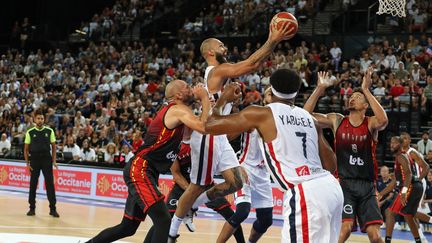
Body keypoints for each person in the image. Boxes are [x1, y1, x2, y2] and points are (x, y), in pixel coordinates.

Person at [169, 21, 293, 241]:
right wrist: (272, 40)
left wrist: (228, 100)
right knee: (198, 185)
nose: (225, 48)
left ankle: (191, 207)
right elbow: (251, 64)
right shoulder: (217, 69)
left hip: (219, 134)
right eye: (220, 46)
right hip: (207, 135)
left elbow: (221, 105)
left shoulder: (220, 75)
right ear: (210, 52)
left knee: (236, 182)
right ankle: (173, 228)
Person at [204, 69, 344, 242]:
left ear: (272, 87)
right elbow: (331, 166)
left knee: (265, 219)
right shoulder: (309, 118)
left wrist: (224, 98)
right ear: (298, 90)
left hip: (305, 191)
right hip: (331, 188)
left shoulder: (261, 114)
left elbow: (210, 125)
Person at [85, 80, 210, 243]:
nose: (191, 87)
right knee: (164, 220)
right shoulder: (177, 109)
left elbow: (196, 129)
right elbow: (204, 126)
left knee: (128, 227)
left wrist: (206, 100)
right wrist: (205, 98)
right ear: (178, 94)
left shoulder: (177, 112)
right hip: (141, 169)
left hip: (145, 170)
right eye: (187, 87)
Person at [304, 68, 388, 243]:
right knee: (345, 229)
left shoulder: (370, 123)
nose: (352, 98)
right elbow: (305, 116)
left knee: (375, 235)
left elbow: (383, 121)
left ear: (366, 106)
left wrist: (366, 90)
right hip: (344, 183)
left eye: (357, 98)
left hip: (367, 186)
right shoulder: (337, 120)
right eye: (352, 96)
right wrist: (319, 89)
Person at [217, 87, 274, 243]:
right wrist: (235, 165)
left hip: (263, 173)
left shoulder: (279, 122)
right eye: (270, 93)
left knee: (266, 220)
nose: (273, 96)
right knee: (242, 212)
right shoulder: (253, 117)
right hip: (244, 167)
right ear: (264, 98)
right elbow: (225, 139)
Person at [163, 136, 246, 243]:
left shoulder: (207, 140)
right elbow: (176, 174)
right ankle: (167, 236)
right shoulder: (174, 144)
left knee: (230, 215)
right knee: (165, 218)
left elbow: (221, 154)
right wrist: (191, 194)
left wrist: (237, 165)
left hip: (205, 183)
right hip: (183, 184)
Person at [379, 136, 424, 243]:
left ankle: (387, 241)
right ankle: (418, 241)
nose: (391, 145)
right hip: (414, 186)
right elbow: (394, 182)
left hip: (411, 186)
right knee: (409, 215)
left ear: (400, 144)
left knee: (389, 212)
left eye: (394, 143)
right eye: (391, 143)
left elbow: (408, 175)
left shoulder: (401, 157)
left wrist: (403, 192)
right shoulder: (400, 157)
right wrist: (381, 194)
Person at [23, 109, 59, 217]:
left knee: (50, 184)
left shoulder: (49, 131)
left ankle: (53, 209)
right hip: (34, 160)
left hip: (46, 160)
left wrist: (54, 160)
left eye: (42, 118)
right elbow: (25, 150)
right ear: (34, 119)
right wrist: (27, 164)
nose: (40, 120)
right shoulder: (30, 132)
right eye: (38, 118)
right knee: (33, 184)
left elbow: (53, 147)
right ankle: (32, 208)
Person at [400, 132, 431, 242]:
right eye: (401, 138)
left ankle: (427, 226)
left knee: (411, 212)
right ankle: (421, 237)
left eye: (405, 138)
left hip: (418, 183)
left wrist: (418, 179)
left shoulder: (412, 152)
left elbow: (426, 167)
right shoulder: (401, 153)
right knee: (409, 213)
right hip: (410, 183)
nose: (402, 140)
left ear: (409, 140)